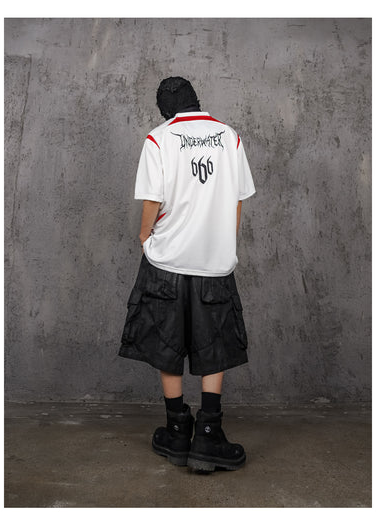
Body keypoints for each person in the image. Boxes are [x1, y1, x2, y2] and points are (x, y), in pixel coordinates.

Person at [118, 77, 256, 472]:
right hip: (214, 261)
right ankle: (208, 435)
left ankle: (177, 430)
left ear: (165, 111)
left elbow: (153, 199)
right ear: (197, 101)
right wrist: (225, 242)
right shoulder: (229, 136)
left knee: (167, 341)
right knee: (214, 342)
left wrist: (145, 236)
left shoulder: (159, 138)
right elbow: (237, 200)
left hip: (167, 261)